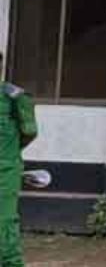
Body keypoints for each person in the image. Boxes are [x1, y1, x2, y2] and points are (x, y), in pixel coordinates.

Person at [0, 81, 36, 267]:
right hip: (7, 163)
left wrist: (9, 152)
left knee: (5, 222)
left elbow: (29, 132)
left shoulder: (15, 97)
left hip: (6, 170)